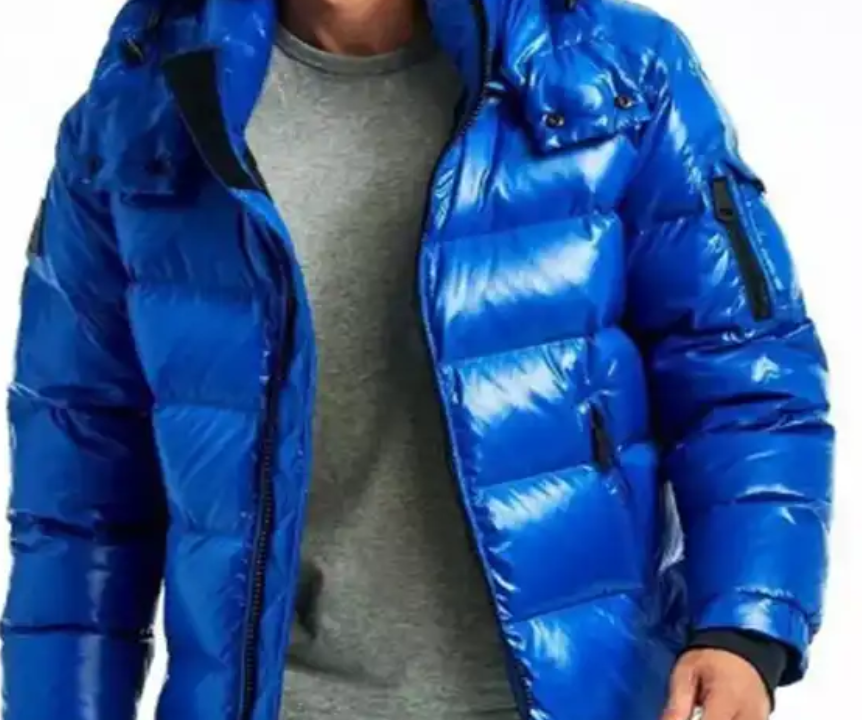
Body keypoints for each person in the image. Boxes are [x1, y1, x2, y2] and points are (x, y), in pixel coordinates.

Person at [1, 0, 833, 719]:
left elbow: (743, 371)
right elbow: (79, 478)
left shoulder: (614, 73)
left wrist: (745, 625)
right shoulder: (137, 115)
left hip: (576, 692)